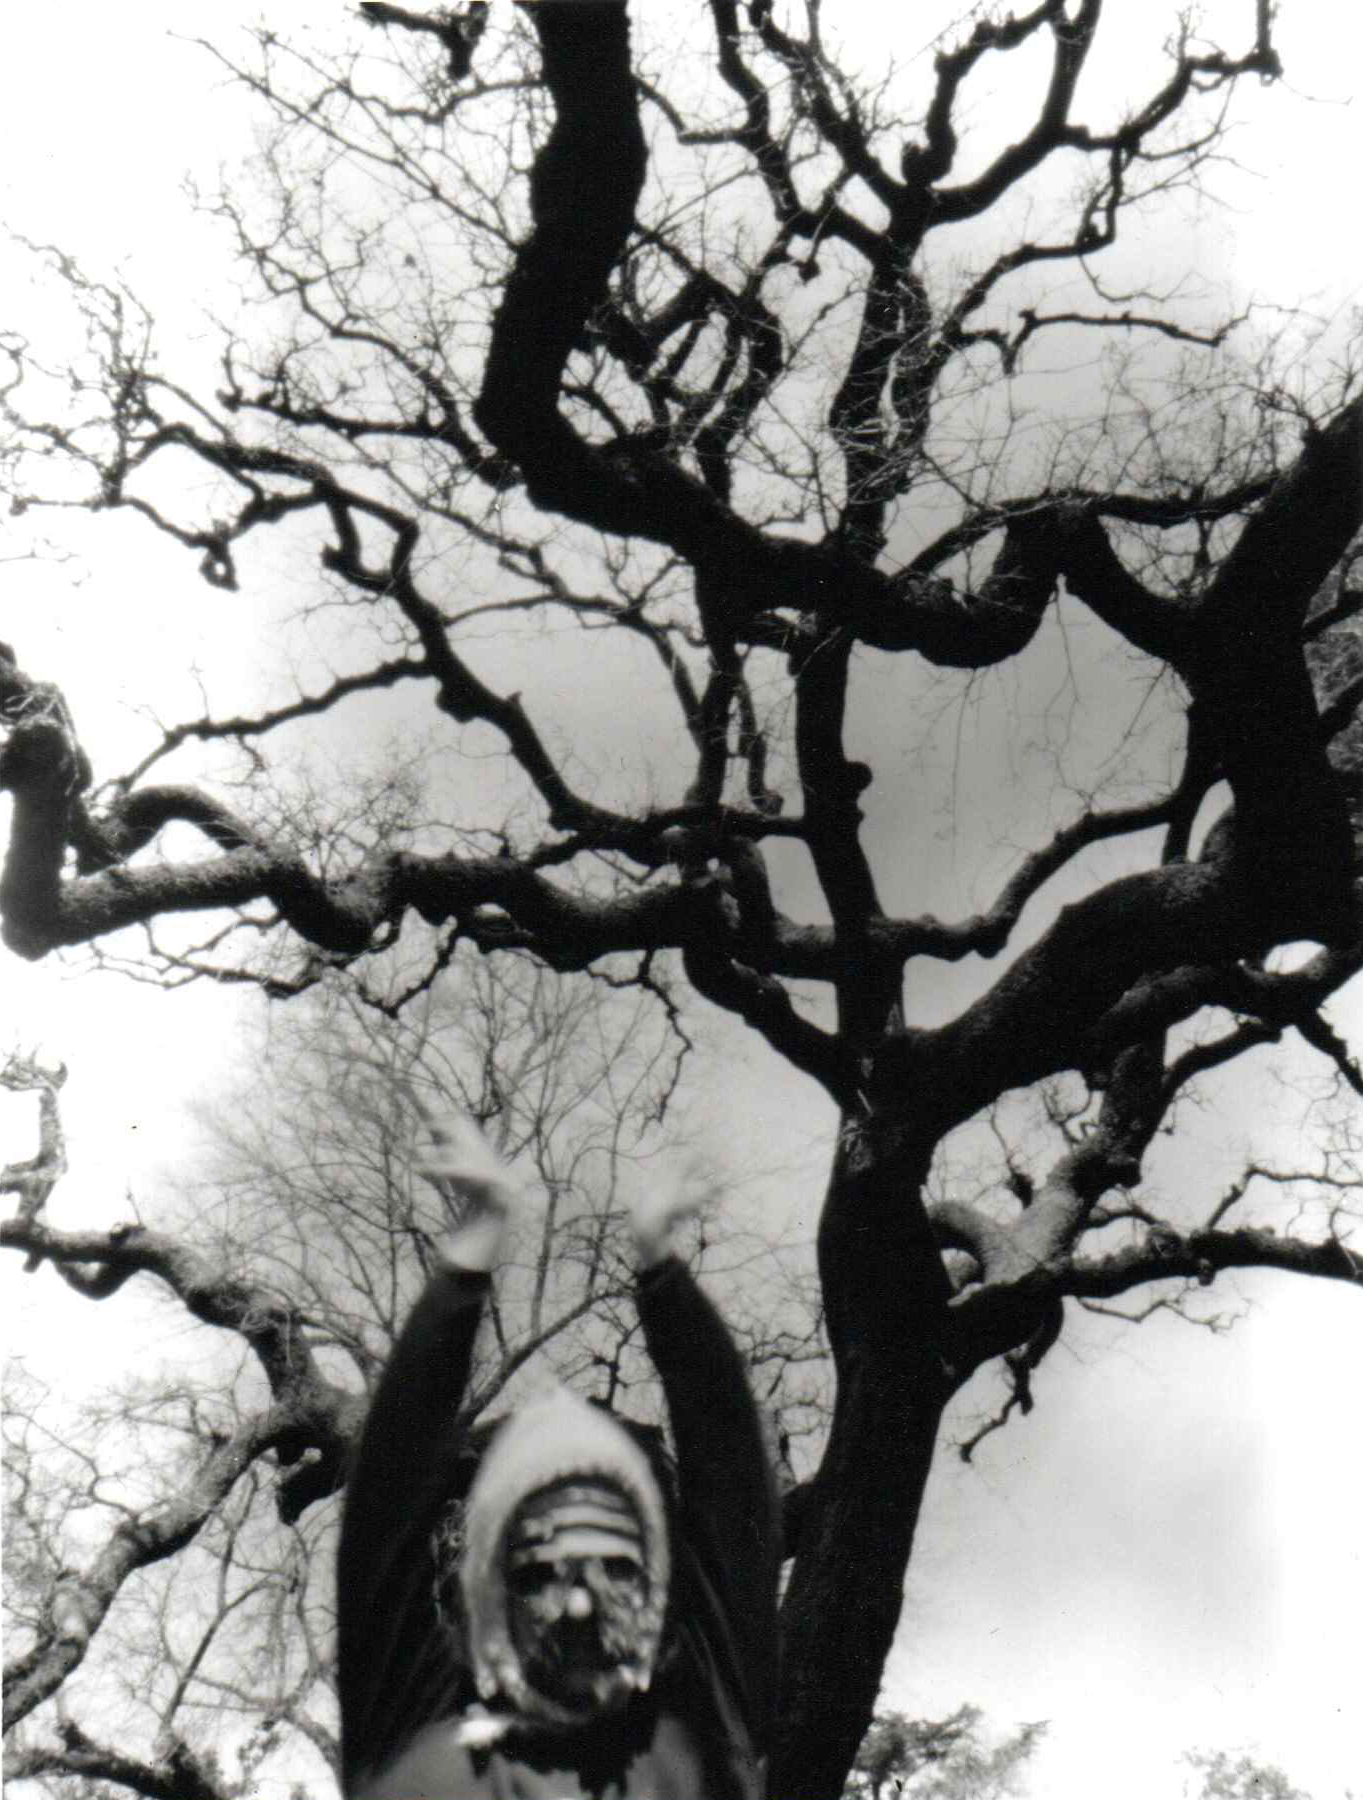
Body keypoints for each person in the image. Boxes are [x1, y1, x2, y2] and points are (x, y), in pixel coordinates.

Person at [336, 1112, 780, 1799]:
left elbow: (732, 1489)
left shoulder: (703, 1740)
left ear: (660, 1595)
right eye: (538, 1574)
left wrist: (660, 1267)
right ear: (488, 1595)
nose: (578, 1604)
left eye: (618, 1568)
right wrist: (476, 1241)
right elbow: (387, 1503)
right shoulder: (412, 1742)